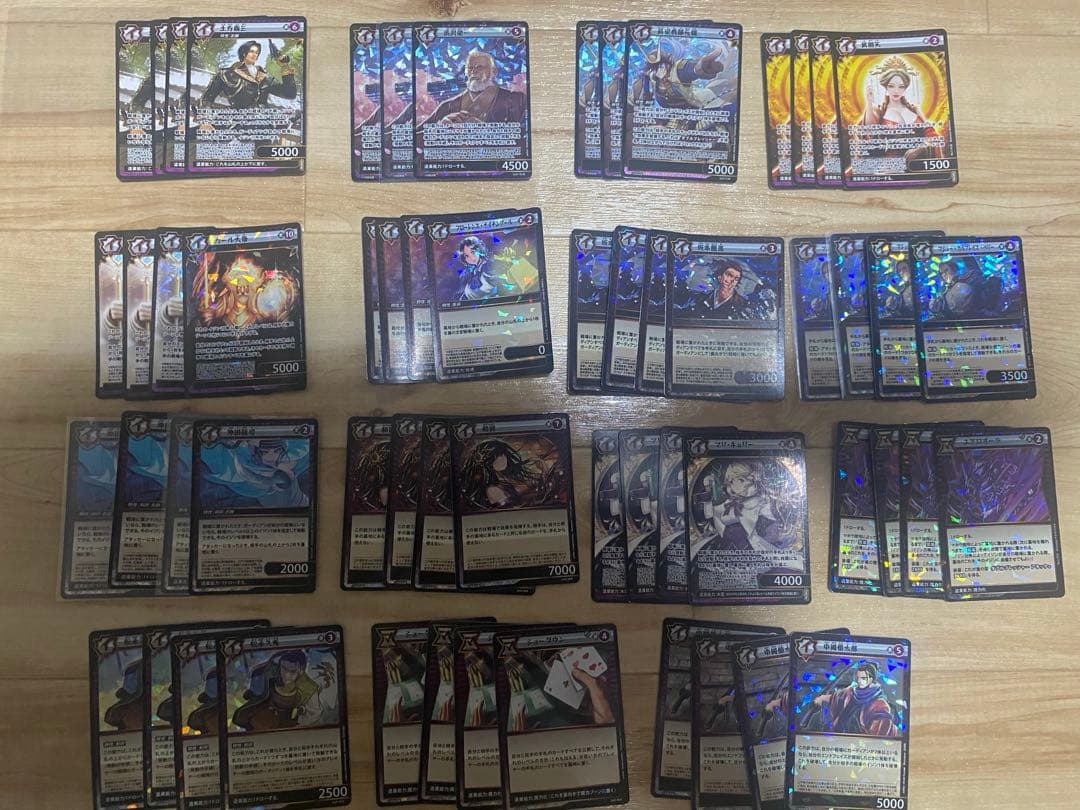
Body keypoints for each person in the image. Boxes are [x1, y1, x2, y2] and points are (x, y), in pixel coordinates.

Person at [860, 56, 943, 162]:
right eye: (891, 86)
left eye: (901, 86)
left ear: (905, 88)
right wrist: (869, 101)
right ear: (886, 87)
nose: (896, 91)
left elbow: (932, 135)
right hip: (890, 165)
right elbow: (869, 132)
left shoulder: (914, 109)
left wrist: (920, 149)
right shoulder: (879, 111)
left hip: (916, 163)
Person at [232, 650, 337, 731]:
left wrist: (298, 723)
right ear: (280, 665)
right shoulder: (268, 672)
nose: (286, 675)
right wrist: (252, 694)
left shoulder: (308, 688)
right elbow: (255, 690)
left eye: (292, 671)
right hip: (261, 718)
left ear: (300, 670)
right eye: (284, 668)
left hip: (288, 726)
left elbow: (315, 713)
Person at [701, 462, 794, 553]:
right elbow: (717, 516)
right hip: (731, 548)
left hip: (756, 547)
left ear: (747, 480)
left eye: (739, 480)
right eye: (731, 481)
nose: (733, 485)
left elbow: (775, 524)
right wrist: (709, 489)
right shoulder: (731, 503)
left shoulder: (761, 502)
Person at [423, 50, 526, 125]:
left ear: (494, 72)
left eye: (480, 67)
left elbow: (526, 136)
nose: (473, 71)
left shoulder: (517, 100)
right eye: (470, 68)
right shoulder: (447, 106)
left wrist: (486, 131)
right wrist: (439, 127)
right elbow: (417, 136)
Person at [196, 253, 298, 328]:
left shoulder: (268, 322)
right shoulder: (213, 321)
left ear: (259, 281)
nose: (242, 284)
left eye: (248, 277)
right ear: (228, 282)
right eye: (237, 277)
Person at [630, 44, 735, 110]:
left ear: (667, 63)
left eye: (662, 66)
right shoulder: (653, 76)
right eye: (656, 68)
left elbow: (692, 69)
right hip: (670, 114)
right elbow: (634, 98)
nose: (660, 71)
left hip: (698, 106)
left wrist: (702, 68)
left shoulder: (678, 70)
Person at [809, 662, 899, 737]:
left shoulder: (879, 704)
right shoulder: (850, 691)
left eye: (863, 678)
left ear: (871, 679)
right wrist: (821, 699)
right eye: (858, 678)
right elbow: (835, 697)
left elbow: (880, 731)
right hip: (839, 736)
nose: (860, 681)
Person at [199, 40, 296, 109]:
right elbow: (207, 99)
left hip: (263, 124)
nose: (255, 54)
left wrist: (284, 66)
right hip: (239, 121)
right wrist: (206, 121)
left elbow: (290, 94)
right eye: (251, 51)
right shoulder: (226, 74)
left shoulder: (264, 77)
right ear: (244, 53)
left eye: (257, 52)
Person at [455, 236, 500, 301]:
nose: (472, 258)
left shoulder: (487, 265)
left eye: (473, 252)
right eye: (466, 256)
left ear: (479, 249)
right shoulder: (471, 269)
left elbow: (489, 285)